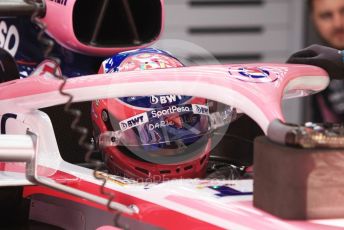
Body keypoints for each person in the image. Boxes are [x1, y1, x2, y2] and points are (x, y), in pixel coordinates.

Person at [288, 0, 344, 122]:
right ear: (313, 18)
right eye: (326, 16)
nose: (338, 24)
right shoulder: (320, 69)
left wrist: (342, 58)